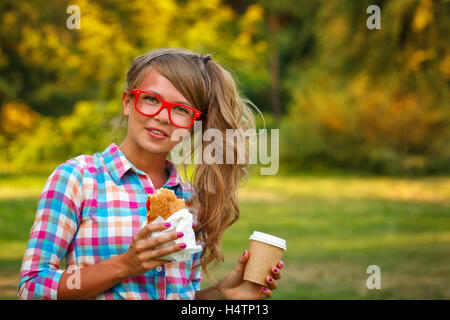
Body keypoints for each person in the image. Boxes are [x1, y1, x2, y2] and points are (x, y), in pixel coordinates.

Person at [18, 48, 284, 300]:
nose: (163, 116)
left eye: (181, 109)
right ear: (127, 102)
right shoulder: (78, 179)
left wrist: (221, 294)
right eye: (151, 99)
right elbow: (32, 287)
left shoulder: (191, 201)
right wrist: (126, 264)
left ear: (193, 124)